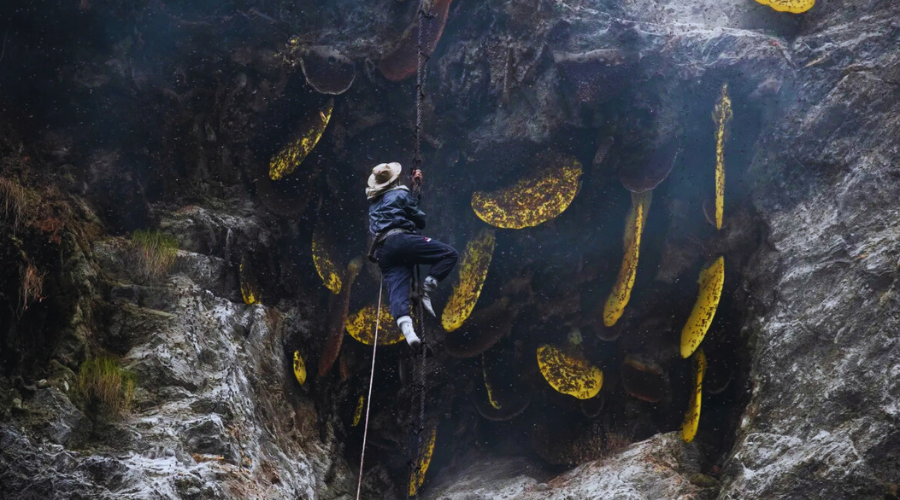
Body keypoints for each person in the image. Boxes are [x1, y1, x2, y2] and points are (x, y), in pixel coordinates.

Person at [367, 162, 458, 348]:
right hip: (402, 241)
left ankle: (409, 333)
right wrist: (415, 190)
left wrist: (413, 192)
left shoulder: (373, 206)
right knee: (449, 254)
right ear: (395, 179)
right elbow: (419, 219)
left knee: (397, 288)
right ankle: (426, 289)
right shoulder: (400, 194)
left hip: (383, 250)